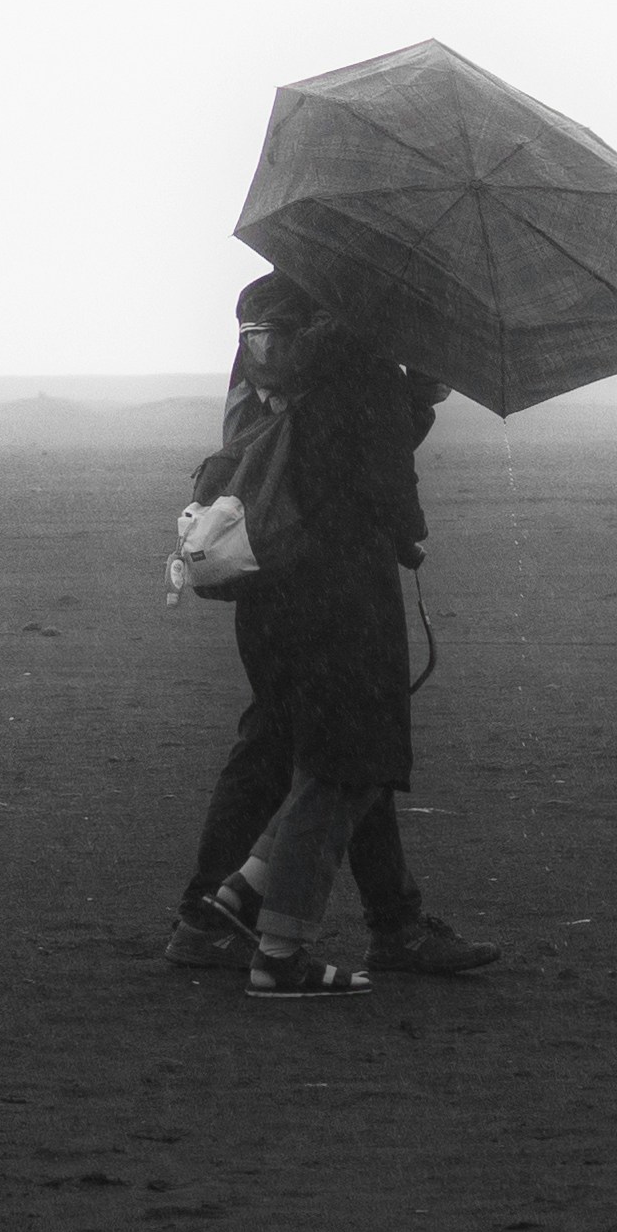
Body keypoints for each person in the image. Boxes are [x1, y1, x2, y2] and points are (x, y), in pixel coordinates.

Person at [167, 265, 492, 988]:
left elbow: (307, 434)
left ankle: (226, 916)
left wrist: (401, 393)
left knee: (296, 747)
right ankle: (287, 929)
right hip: (342, 582)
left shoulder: (267, 321)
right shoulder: (361, 339)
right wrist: (417, 399)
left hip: (267, 571)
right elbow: (377, 467)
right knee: (352, 751)